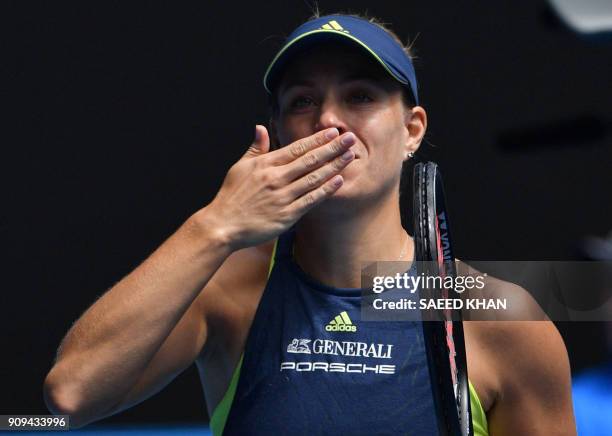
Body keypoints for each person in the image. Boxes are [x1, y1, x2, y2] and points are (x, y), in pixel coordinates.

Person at [43, 12, 576, 435]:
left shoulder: (498, 319)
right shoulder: (231, 291)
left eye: (360, 96)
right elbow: (70, 398)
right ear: (278, 131)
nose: (328, 120)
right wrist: (216, 226)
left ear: (413, 130)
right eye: (303, 101)